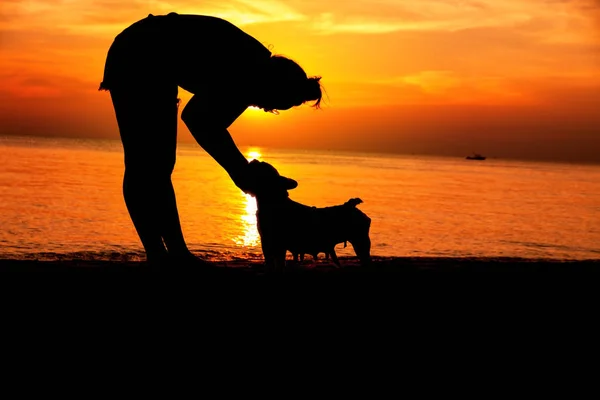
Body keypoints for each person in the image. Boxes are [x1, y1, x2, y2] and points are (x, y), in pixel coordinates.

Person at [99, 12, 323, 267]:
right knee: (143, 164)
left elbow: (210, 125)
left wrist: (240, 171)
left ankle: (173, 254)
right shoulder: (246, 70)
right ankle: (161, 254)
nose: (263, 109)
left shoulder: (254, 72)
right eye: (272, 104)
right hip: (138, 52)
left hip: (153, 57)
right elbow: (198, 119)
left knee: (159, 165)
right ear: (274, 85)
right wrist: (240, 172)